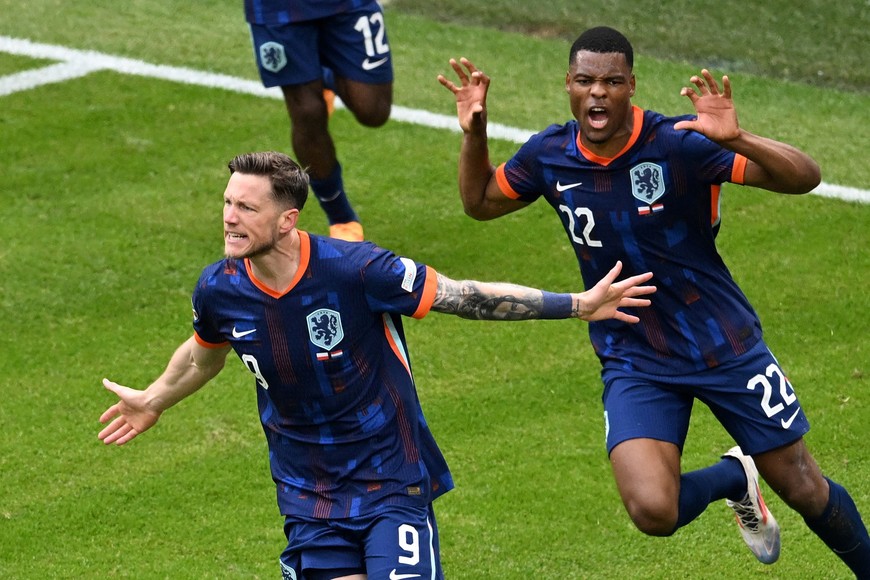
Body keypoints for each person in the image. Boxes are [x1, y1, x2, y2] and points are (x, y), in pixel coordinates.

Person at [97, 151, 655, 579]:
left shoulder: (357, 270)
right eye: (226, 203)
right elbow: (202, 355)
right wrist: (154, 398)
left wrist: (577, 305)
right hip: (307, 492)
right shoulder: (219, 289)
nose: (229, 218)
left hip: (390, 476)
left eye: (246, 208)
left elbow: (463, 296)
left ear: (288, 219)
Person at [438, 26, 870, 576]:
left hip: (722, 342)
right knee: (652, 511)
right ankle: (734, 479)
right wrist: (475, 132)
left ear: (632, 86)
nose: (598, 93)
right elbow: (479, 202)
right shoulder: (549, 155)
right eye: (586, 81)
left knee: (804, 488)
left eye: (613, 82)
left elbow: (804, 178)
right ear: (568, 84)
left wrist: (738, 139)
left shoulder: (678, 144)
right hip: (635, 352)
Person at [244, 0, 395, 242]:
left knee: (373, 111)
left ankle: (318, 74)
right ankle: (340, 215)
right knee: (307, 112)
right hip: (279, 8)